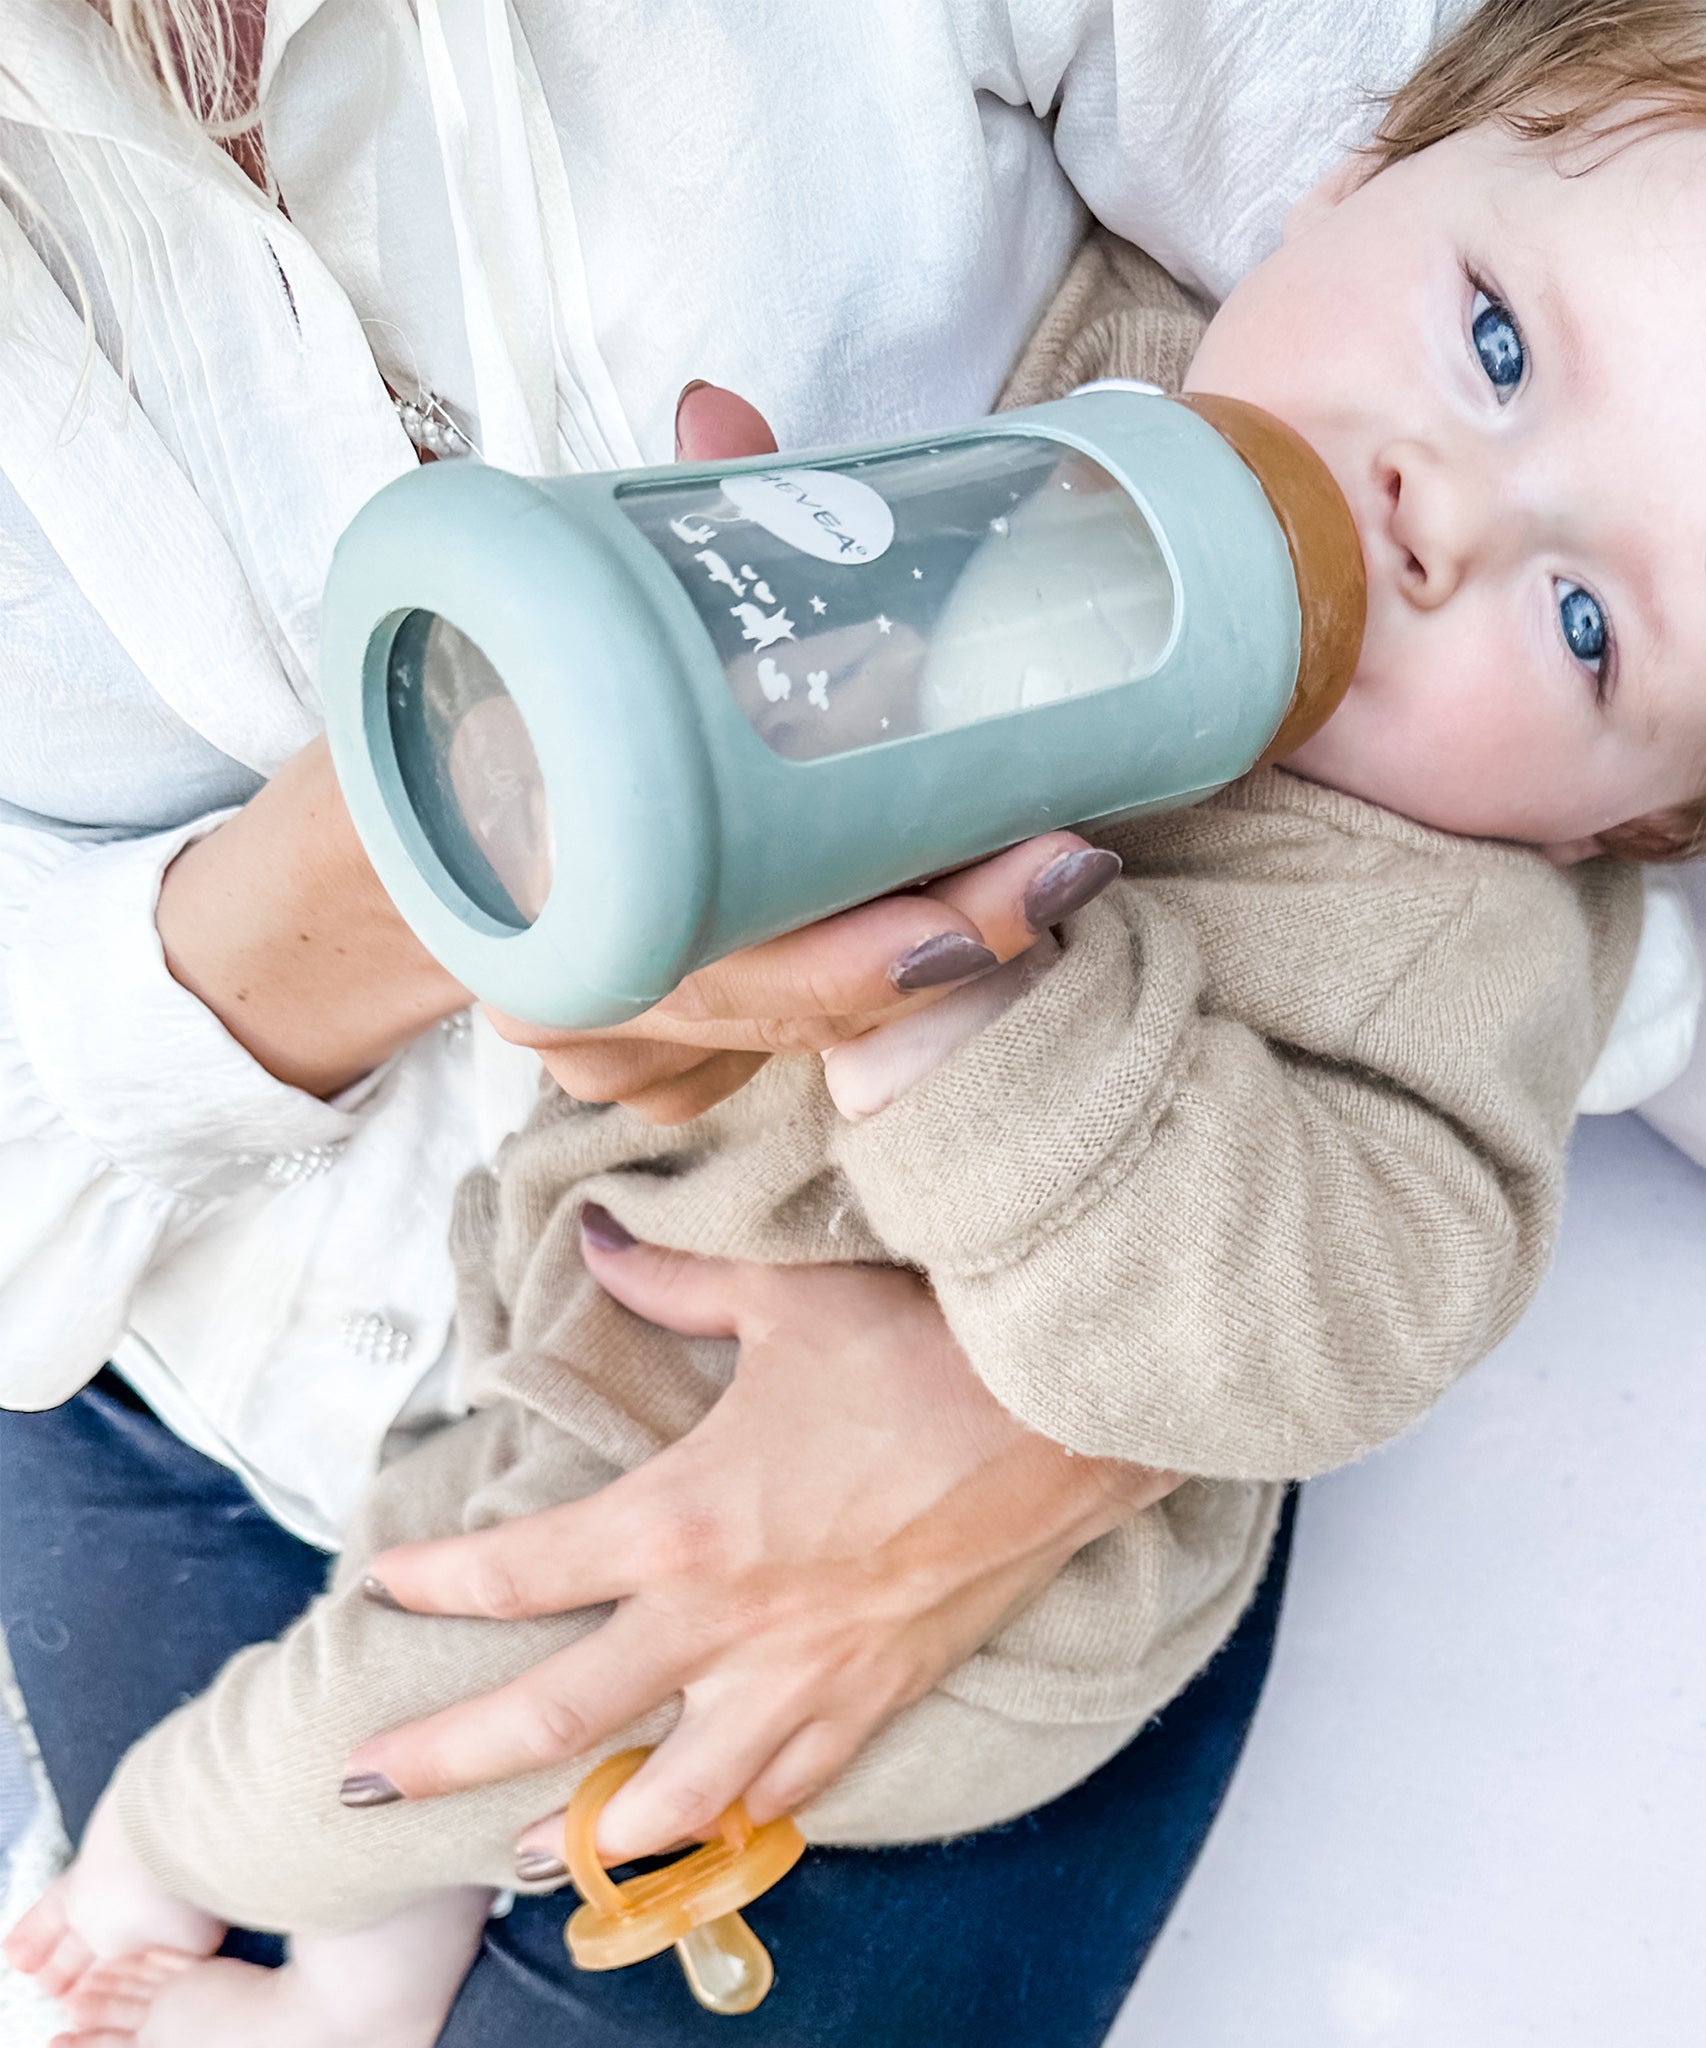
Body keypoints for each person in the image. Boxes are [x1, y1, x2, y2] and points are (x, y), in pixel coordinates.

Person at [13, 3, 1706, 2041]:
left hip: (937, 1618)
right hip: (457, 1287)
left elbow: (1318, 1328)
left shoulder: (1457, 935)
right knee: (460, 1575)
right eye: (1497, 350)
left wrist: (967, 1011)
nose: (1440, 508)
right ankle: (361, 1958)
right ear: (1349, 174)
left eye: (1588, 622)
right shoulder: (1121, 375)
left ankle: (157, 1862)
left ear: (1629, 819)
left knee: (421, 1711)